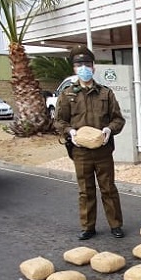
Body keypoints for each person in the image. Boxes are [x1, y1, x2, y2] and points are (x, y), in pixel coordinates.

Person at [53, 46, 127, 240]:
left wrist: (109, 129)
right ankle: (88, 227)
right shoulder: (68, 95)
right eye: (79, 65)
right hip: (80, 151)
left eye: (87, 64)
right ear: (74, 69)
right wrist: (71, 132)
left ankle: (115, 225)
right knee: (85, 191)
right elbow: (59, 121)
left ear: (93, 68)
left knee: (108, 189)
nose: (83, 68)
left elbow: (118, 119)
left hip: (103, 150)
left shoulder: (105, 93)